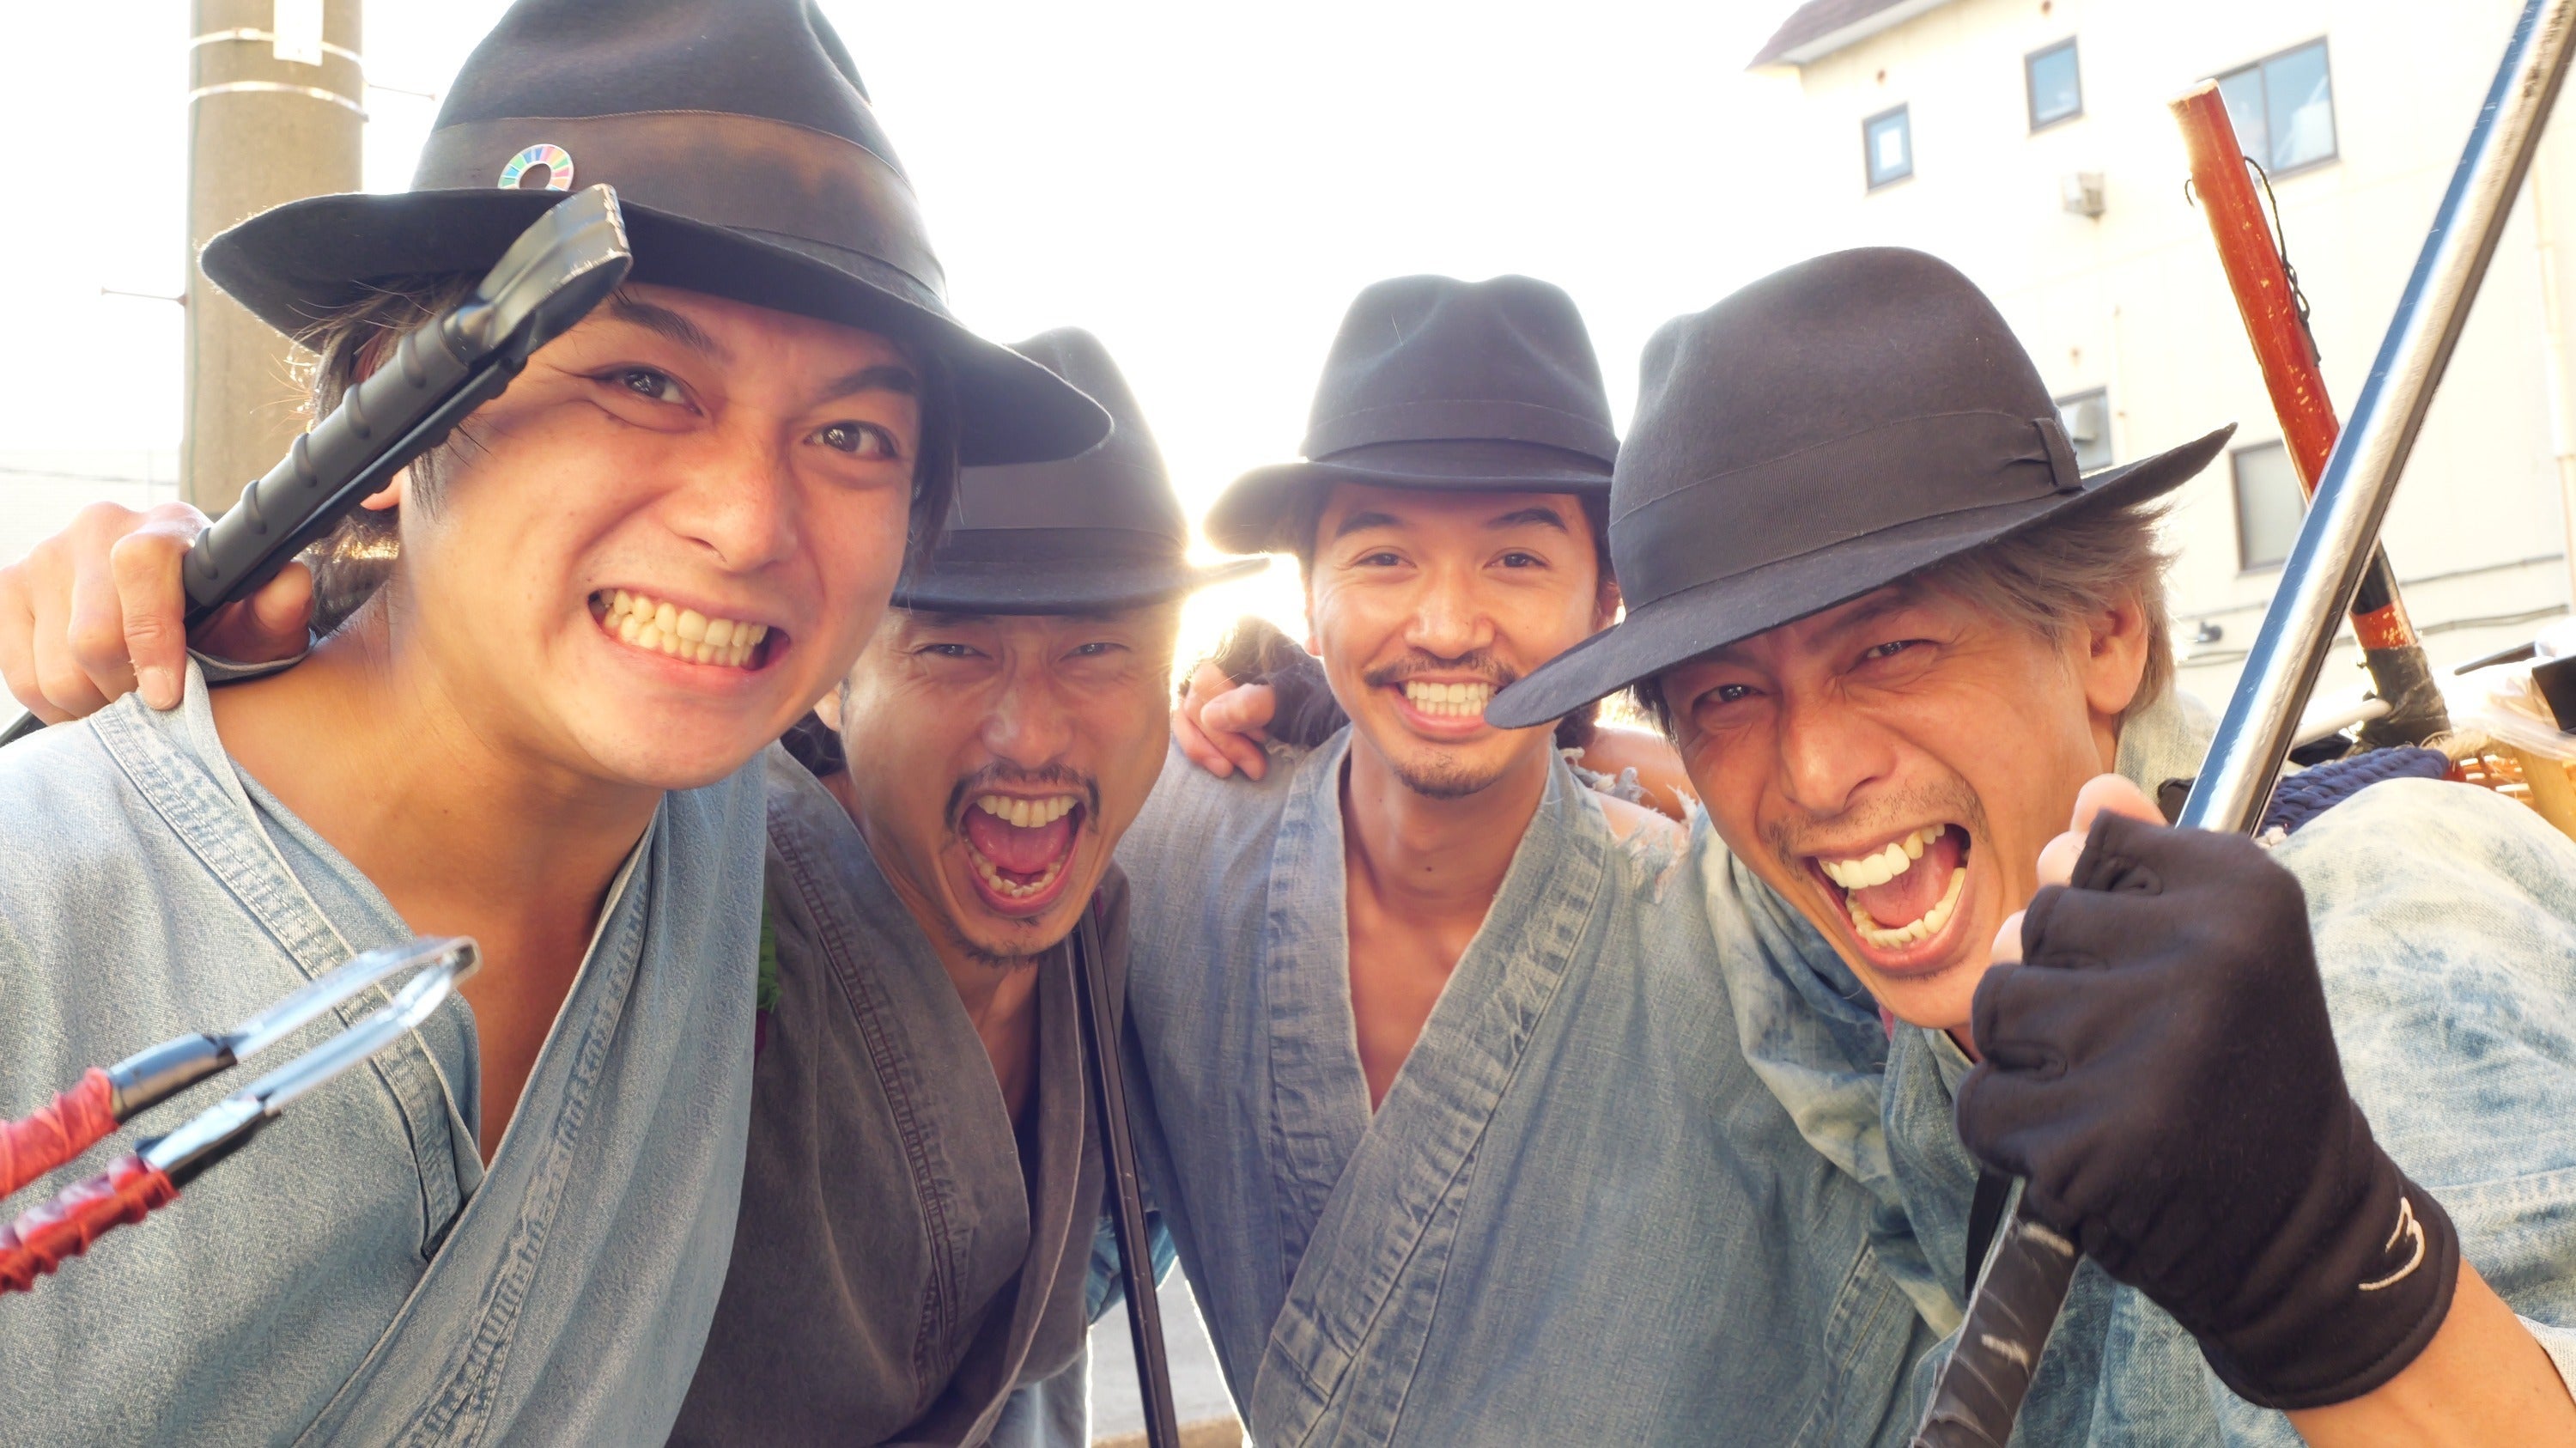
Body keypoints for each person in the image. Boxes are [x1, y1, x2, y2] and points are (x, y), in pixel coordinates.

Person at [0, 3, 1103, 1443]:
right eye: (641, 380)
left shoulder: (720, 840)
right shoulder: (41, 904)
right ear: (384, 417)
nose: (747, 523)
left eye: (851, 436)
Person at [1486, 246, 2576, 1445]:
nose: (1812, 773)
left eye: (1889, 650)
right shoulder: (1918, 964)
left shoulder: (2381, 927)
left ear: (2105, 631)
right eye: (1726, 696)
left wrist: (2331, 1272)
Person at [1113, 274, 1940, 1445]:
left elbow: (1951, 1246)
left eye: (1514, 560)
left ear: (1607, 600)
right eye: (1383, 557)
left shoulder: (1736, 946)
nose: (1447, 625)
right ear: (1306, 590)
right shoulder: (1170, 852)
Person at [666, 330, 1256, 1447]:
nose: (1029, 733)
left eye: (1098, 651)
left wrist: (1319, 764)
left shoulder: (1123, 944)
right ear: (832, 677)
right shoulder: (702, 908)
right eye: (952, 651)